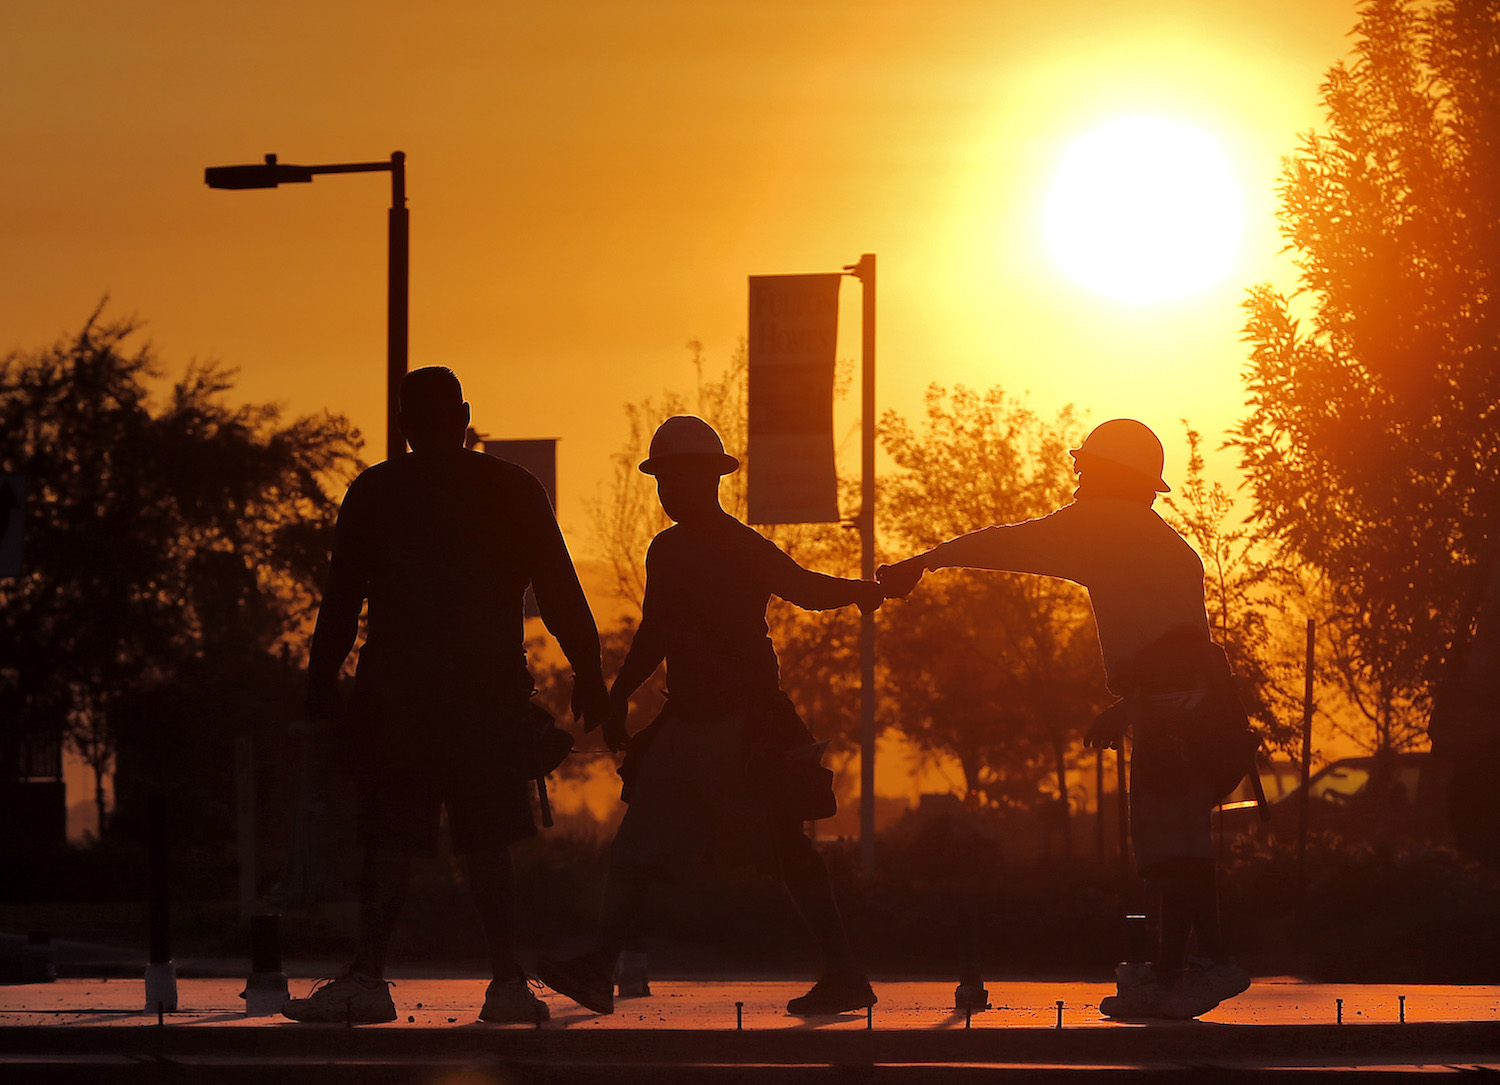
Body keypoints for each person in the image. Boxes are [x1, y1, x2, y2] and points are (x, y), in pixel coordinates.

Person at [877, 418, 1256, 1020]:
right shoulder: (1167, 544)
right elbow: (1186, 649)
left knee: (1172, 852)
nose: (1077, 484)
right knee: (1177, 846)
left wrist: (924, 562)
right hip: (1193, 708)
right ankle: (1180, 970)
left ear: (1110, 475)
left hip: (1171, 713)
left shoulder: (1104, 526)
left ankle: (1199, 966)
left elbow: (1005, 542)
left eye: (1085, 471)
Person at [283, 366, 608, 1025]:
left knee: (390, 842)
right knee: (488, 840)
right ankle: (507, 982)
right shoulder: (512, 488)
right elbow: (560, 592)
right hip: (487, 696)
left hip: (396, 697)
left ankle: (368, 977)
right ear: (464, 415)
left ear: (403, 425)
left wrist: (320, 689)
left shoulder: (376, 491)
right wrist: (590, 673)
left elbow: (341, 604)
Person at [537, 415, 883, 1017]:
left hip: (745, 723)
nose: (667, 491)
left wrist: (861, 590)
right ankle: (599, 967)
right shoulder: (665, 549)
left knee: (782, 846)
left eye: (675, 477)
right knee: (637, 849)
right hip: (690, 723)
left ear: (708, 480)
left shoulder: (738, 545)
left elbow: (803, 588)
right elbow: (655, 634)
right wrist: (618, 698)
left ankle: (845, 972)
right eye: (662, 480)